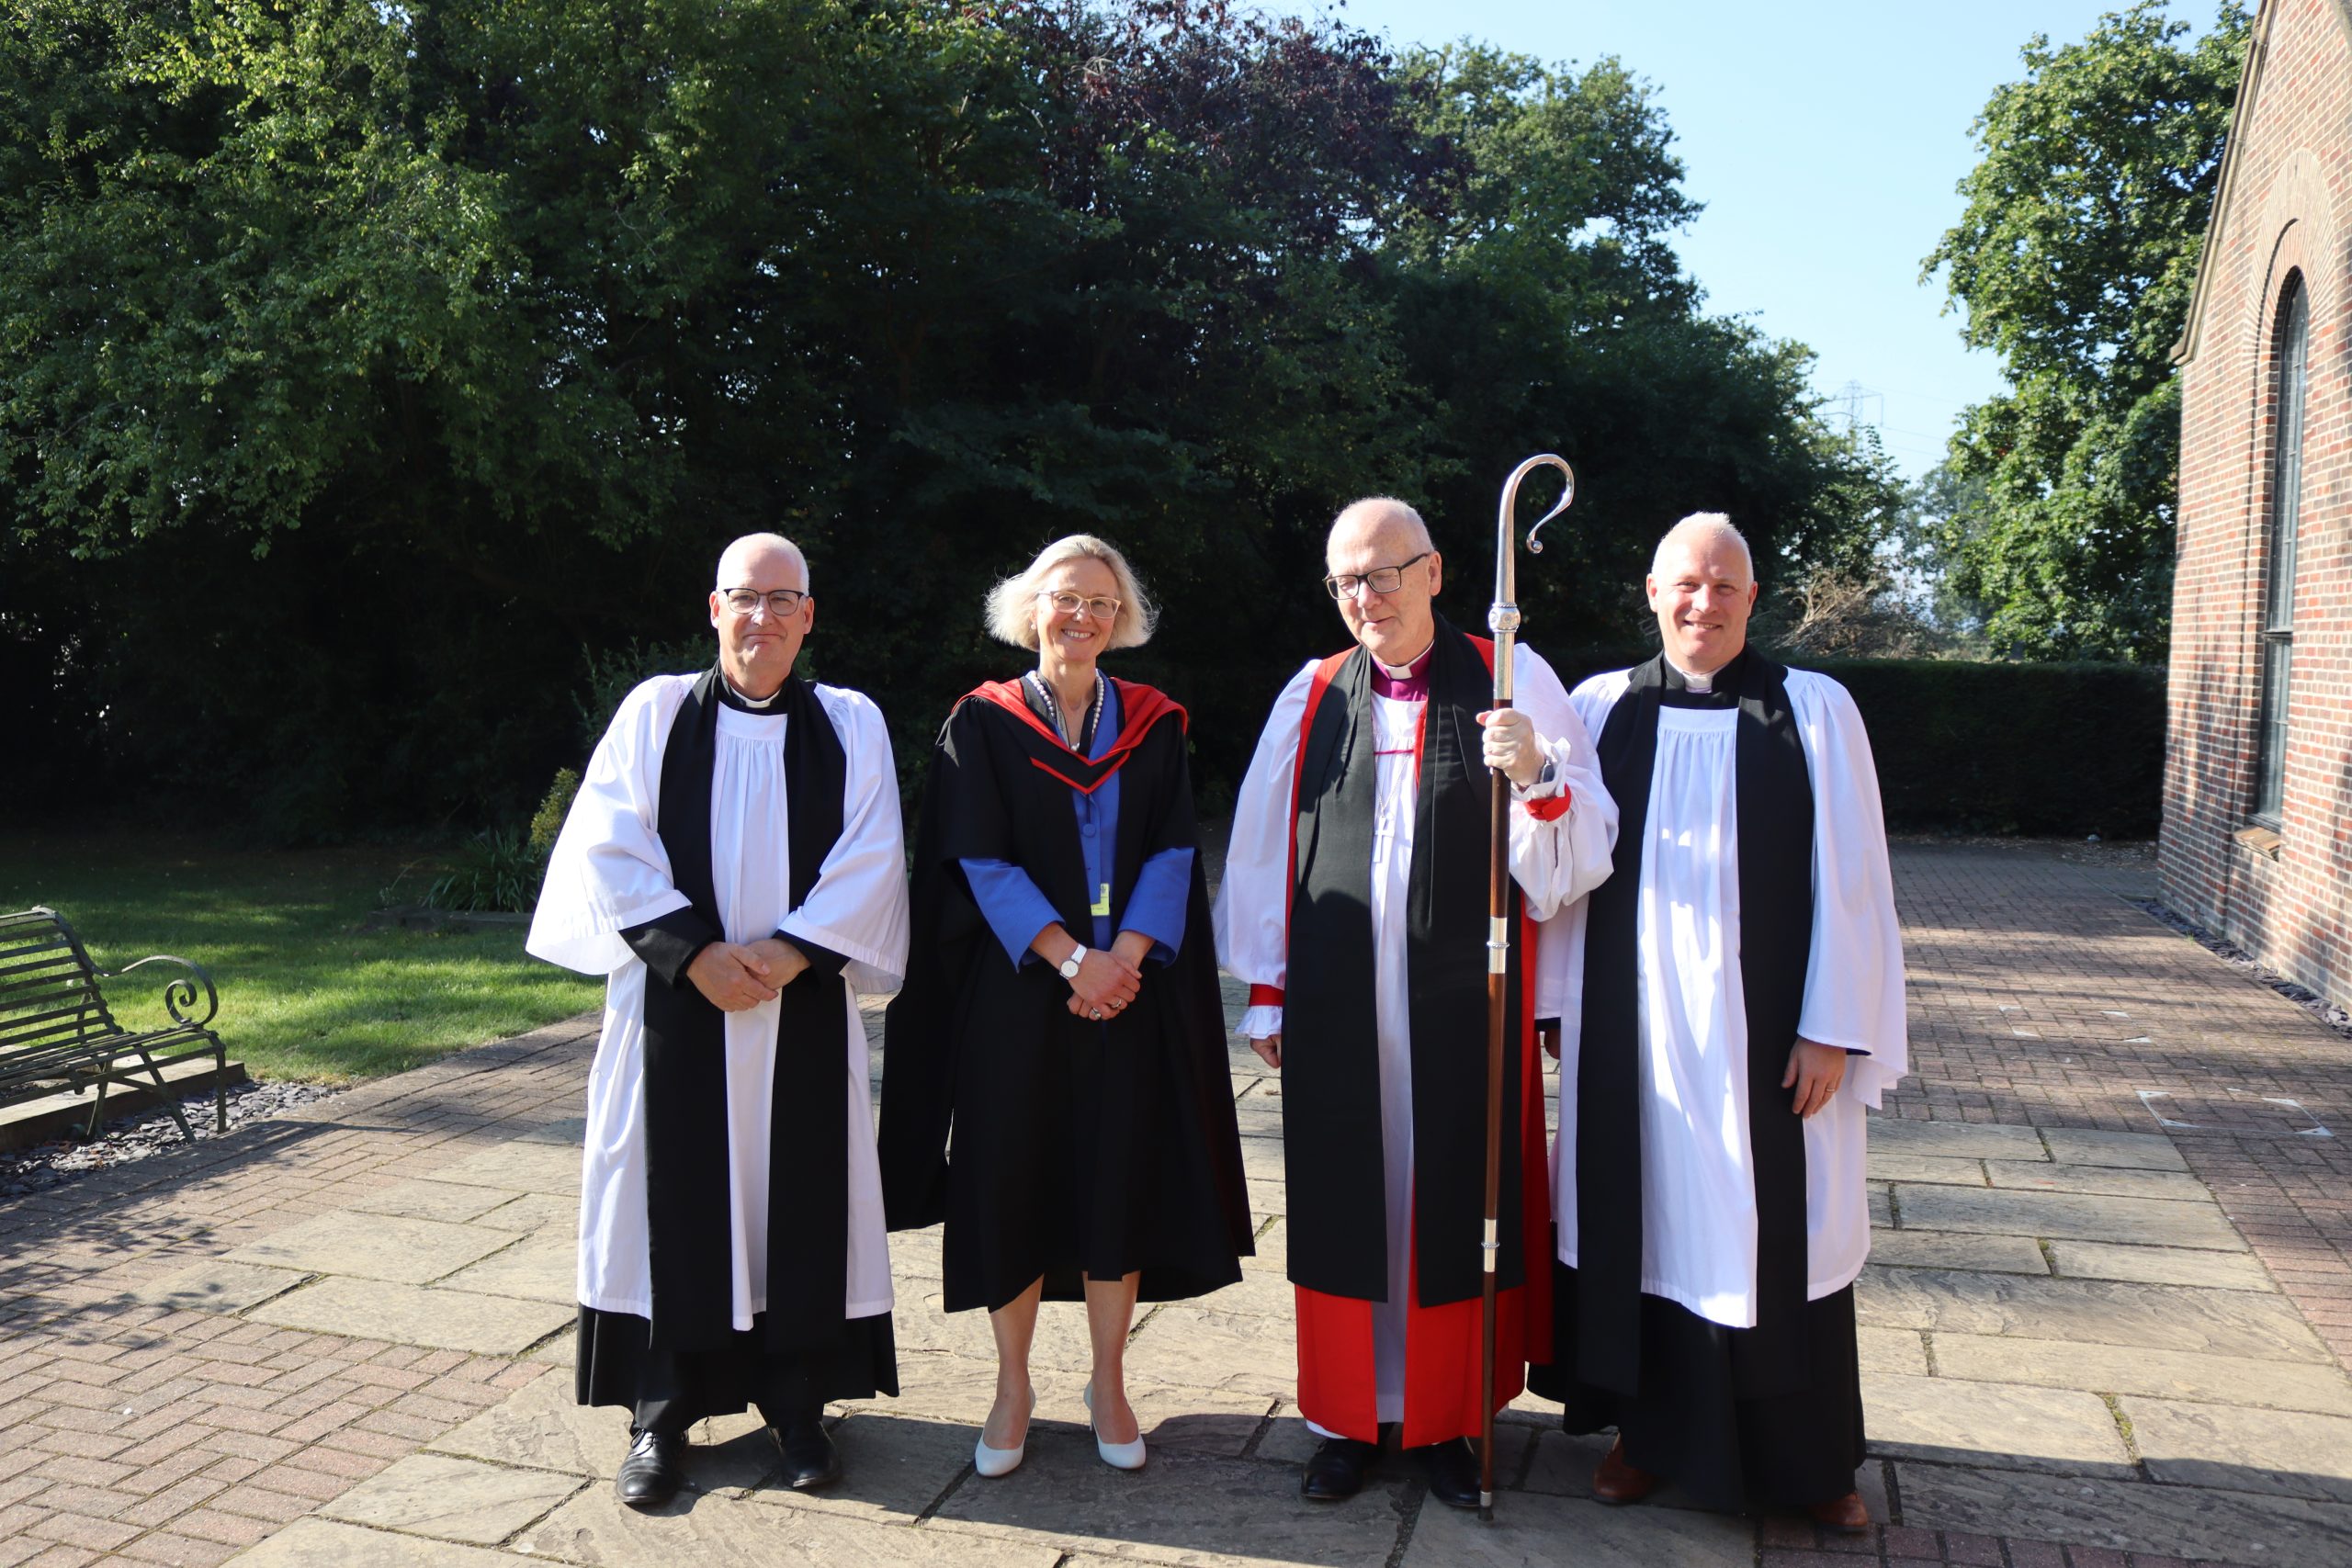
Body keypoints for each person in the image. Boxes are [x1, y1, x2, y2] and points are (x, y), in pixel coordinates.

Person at [1213, 497, 1616, 1506]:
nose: (1367, 595)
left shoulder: (1514, 678)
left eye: (1385, 572)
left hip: (1463, 1002)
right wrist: (1267, 989)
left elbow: (1577, 856)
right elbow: (1268, 846)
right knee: (1355, 1199)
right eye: (1347, 579)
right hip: (1342, 997)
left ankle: (1444, 1419)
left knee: (1449, 1198)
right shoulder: (1311, 695)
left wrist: (1534, 773)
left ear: (1435, 572)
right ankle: (1348, 1419)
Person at [1528, 513, 1907, 1531]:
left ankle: (1809, 1463)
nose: (1703, 603)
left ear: (1752, 598)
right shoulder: (1598, 707)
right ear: (1651, 591)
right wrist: (1560, 1005)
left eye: (1725, 586)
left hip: (1771, 1040)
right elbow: (1561, 872)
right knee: (1639, 1228)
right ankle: (1644, 1441)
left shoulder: (1814, 711)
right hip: (1636, 1038)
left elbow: (1854, 878)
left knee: (1784, 1237)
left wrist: (1832, 1024)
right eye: (1685, 584)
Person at [526, 533, 910, 1509]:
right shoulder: (654, 714)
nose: (763, 618)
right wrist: (695, 955)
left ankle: (798, 1407)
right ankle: (660, 1415)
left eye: (785, 600)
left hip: (800, 1008)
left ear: (809, 616)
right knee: (665, 1199)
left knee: (799, 1200)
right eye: (746, 598)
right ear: (713, 608)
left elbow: (873, 851)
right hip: (676, 1010)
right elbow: (609, 844)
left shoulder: (849, 723)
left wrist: (787, 954)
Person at [879, 535, 1252, 1479]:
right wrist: (1070, 958)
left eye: (1098, 601)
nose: (1079, 615)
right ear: (1029, 609)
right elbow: (976, 858)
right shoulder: (984, 722)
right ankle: (1012, 1384)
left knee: (1115, 1175)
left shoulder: (1155, 722)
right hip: (1018, 992)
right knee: (1008, 1177)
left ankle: (1109, 1380)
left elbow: (1173, 850)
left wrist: (1121, 957)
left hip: (1126, 992)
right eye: (1062, 598)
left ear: (1120, 619)